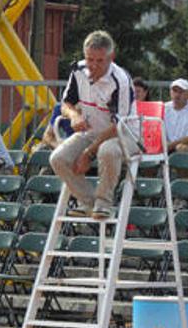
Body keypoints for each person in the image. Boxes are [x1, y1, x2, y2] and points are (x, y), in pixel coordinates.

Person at [50, 30, 136, 220]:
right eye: (90, 59)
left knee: (107, 150)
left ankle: (104, 204)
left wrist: (88, 153)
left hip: (124, 134)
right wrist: (74, 116)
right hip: (91, 131)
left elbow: (118, 125)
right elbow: (66, 104)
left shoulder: (121, 80)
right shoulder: (78, 71)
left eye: (100, 61)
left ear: (111, 58)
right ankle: (88, 202)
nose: (94, 66)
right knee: (58, 158)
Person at [164, 78, 188, 153]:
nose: (177, 95)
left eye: (181, 92)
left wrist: (169, 146)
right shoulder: (163, 108)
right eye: (174, 91)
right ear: (170, 92)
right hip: (168, 147)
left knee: (181, 148)